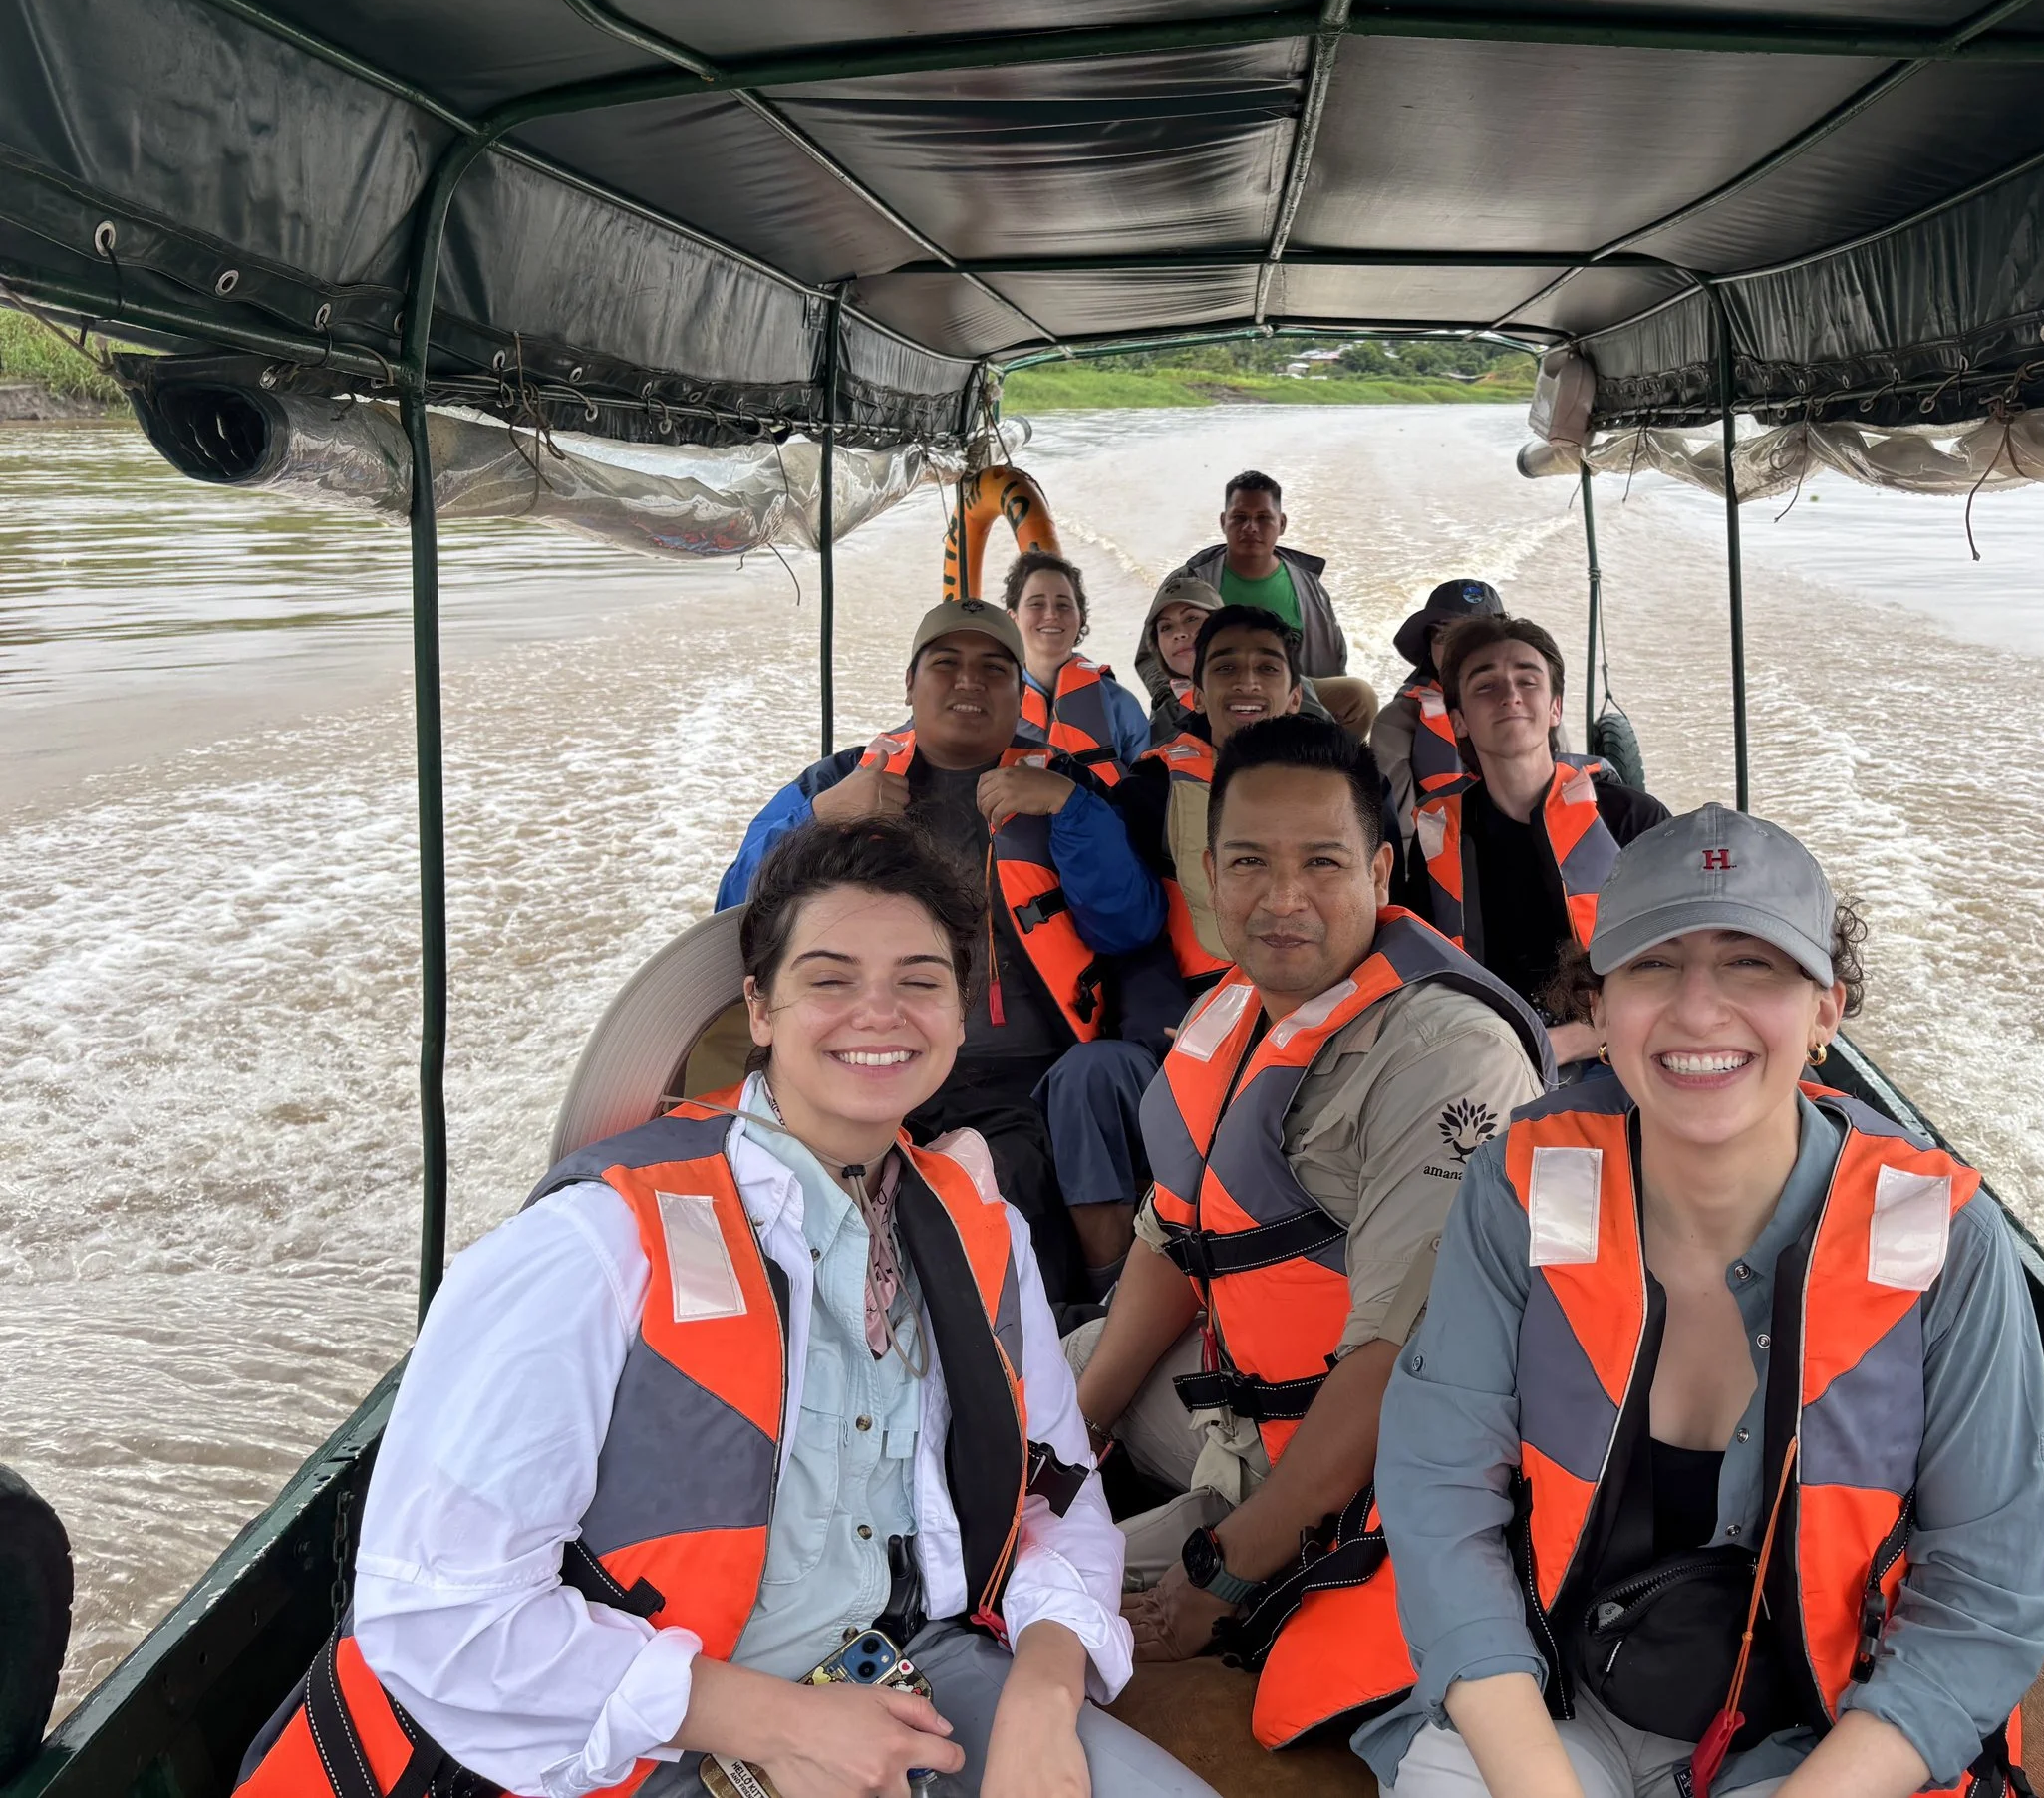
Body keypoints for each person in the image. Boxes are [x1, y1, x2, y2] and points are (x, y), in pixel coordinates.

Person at [236, 817, 1220, 1798]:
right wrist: (785, 1726)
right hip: (644, 1742)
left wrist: (1044, 1705)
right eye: (829, 979)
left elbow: (1057, 1498)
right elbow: (436, 1616)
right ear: (759, 1006)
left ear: (960, 1015)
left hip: (913, 1676)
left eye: (919, 981)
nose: (878, 1013)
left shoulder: (980, 1231)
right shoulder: (593, 1243)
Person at [1360, 803, 2044, 1798]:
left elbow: (1990, 1593)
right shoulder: (1523, 1191)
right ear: (1598, 1007)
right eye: (1653, 963)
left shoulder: (1936, 1242)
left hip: (1824, 1744)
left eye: (1752, 964)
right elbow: (1440, 1498)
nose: (1697, 1010)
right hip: (1558, 1703)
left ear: (1826, 1009)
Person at [1064, 717, 1550, 1752]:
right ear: (1208, 872)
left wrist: (1228, 1570)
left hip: (1357, 1473)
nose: (1281, 899)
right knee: (998, 1406)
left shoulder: (1445, 1056)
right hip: (1233, 1392)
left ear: (1380, 869)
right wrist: (1066, 1444)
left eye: (1321, 863)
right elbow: (1175, 1237)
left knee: (1040, 1603)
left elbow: (1402, 1366)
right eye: (1248, 862)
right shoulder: (1239, 1007)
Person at [719, 598, 1165, 1306]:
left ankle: (1031, 1368)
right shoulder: (838, 780)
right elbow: (736, 910)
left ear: (1021, 694)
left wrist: (1071, 812)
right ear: (909, 682)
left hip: (1018, 1077)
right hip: (866, 1056)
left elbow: (1130, 925)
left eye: (994, 668)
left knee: (1009, 1207)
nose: (969, 681)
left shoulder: (1067, 784)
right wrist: (819, 819)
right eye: (946, 663)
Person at [1035, 605, 1310, 1285]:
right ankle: (1108, 1293)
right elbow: (1131, 925)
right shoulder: (1154, 790)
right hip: (1179, 1028)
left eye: (1266, 666)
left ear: (1295, 695)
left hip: (1310, 1031)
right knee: (1087, 1078)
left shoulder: (1340, 791)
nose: (1245, 680)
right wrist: (1178, 1021)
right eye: (1225, 666)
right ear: (1198, 689)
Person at [1404, 614, 1667, 1071]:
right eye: (1486, 685)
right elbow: (1420, 972)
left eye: (1527, 680)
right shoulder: (1436, 835)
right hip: (1487, 1054)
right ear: (1460, 720)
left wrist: (1565, 1043)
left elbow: (1683, 962)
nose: (1509, 695)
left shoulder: (1633, 819)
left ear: (1554, 708)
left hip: (1628, 1050)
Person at [1131, 470, 1378, 740]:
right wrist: (1178, 696)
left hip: (1292, 687)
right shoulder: (1189, 580)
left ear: (1281, 524)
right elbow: (1149, 654)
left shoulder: (1308, 585)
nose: (1250, 527)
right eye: (1239, 518)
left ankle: (1337, 770)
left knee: (1359, 696)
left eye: (1263, 518)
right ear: (1223, 522)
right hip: (1215, 688)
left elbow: (1334, 655)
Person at [1371, 578, 1504, 834]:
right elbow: (1397, 834)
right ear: (1429, 645)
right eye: (1444, 634)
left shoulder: (1530, 711)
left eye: (1475, 636)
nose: (1458, 648)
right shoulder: (1395, 722)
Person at [1007, 549, 1150, 784]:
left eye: (1063, 605)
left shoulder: (1120, 705)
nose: (1051, 614)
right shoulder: (992, 703)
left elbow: (1150, 793)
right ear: (1013, 618)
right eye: (1037, 604)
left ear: (1080, 618)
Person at [1138, 571, 1222, 747]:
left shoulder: (1256, 694)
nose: (1179, 633)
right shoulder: (1163, 720)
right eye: (1166, 627)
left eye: (1191, 618)